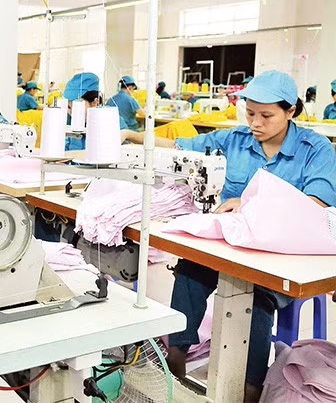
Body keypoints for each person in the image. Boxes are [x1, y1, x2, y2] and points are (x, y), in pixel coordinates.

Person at [153, 71, 336, 401]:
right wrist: (130, 138)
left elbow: (313, 206)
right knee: (190, 271)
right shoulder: (234, 140)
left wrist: (249, 202)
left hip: (282, 259)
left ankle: (250, 390)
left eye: (266, 115)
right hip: (232, 248)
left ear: (291, 111)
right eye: (249, 113)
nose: (255, 122)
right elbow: (180, 150)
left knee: (254, 295)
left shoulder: (316, 150)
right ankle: (176, 362)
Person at [62, 72, 139, 150]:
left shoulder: (109, 118)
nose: (72, 112)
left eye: (77, 107)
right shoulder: (69, 120)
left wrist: (127, 133)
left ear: (95, 102)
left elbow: (140, 141)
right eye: (69, 107)